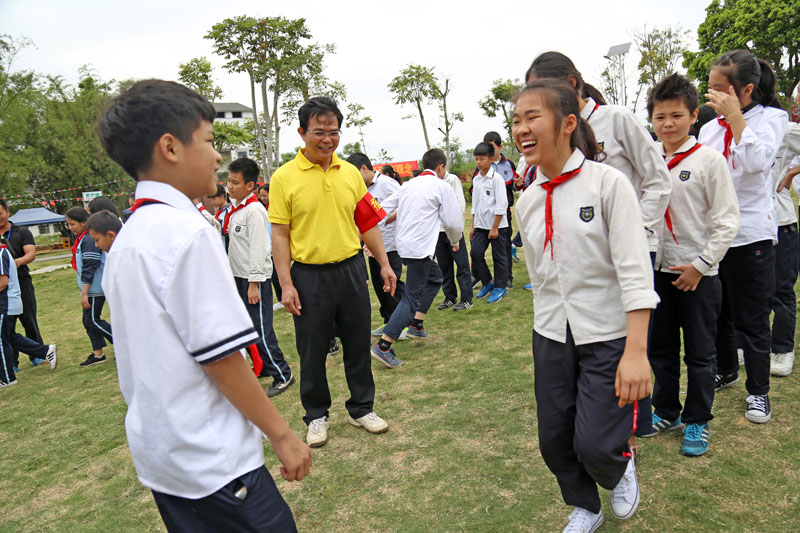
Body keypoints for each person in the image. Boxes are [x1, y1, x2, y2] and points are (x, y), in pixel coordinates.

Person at [97, 79, 310, 531]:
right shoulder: (186, 233)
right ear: (170, 147)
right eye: (210, 141)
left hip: (163, 454)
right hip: (212, 457)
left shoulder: (130, 235)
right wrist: (283, 434)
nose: (217, 156)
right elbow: (222, 359)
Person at [513, 79, 658, 533]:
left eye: (532, 117)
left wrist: (636, 351)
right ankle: (586, 507)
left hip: (608, 333)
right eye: (516, 120)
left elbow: (636, 271)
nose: (522, 129)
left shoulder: (608, 184)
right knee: (553, 440)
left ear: (568, 122)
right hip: (552, 334)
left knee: (596, 443)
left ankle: (619, 465)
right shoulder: (528, 199)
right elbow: (540, 278)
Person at [526, 51, 672, 439]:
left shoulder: (617, 119)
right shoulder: (538, 164)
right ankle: (609, 429)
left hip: (627, 241)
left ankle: (629, 429)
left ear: (571, 85)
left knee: (627, 338)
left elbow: (658, 179)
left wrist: (635, 229)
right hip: (579, 248)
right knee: (585, 347)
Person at [270, 96, 396, 448]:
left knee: (357, 343)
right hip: (309, 277)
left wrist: (384, 263)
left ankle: (361, 408)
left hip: (352, 270)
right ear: (302, 132)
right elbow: (279, 233)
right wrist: (286, 283)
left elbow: (367, 221)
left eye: (334, 131)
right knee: (311, 350)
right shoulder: (284, 178)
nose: (327, 139)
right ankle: (316, 415)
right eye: (319, 132)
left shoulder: (351, 173)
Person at [643, 74, 740, 456]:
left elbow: (727, 220)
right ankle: (666, 410)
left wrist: (700, 265)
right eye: (659, 116)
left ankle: (697, 420)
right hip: (659, 271)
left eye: (676, 116)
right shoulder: (648, 161)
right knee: (660, 349)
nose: (667, 124)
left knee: (700, 352)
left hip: (699, 274)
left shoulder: (709, 162)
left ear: (693, 116)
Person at [699, 50, 787, 424]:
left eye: (720, 90)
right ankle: (726, 369)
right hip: (713, 237)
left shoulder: (772, 119)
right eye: (710, 89)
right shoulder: (708, 129)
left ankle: (759, 392)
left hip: (750, 236)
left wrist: (735, 119)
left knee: (752, 319)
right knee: (718, 315)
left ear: (746, 90)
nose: (712, 96)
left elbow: (755, 163)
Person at [371, 148, 464, 367]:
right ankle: (384, 345)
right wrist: (454, 240)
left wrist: (371, 223)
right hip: (420, 249)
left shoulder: (408, 185)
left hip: (405, 246)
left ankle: (417, 324)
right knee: (411, 297)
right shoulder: (441, 186)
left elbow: (383, 206)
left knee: (435, 279)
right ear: (441, 167)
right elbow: (452, 221)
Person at [225, 157, 294, 397]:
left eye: (235, 182)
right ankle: (265, 366)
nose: (230, 187)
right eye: (228, 181)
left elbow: (259, 249)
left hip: (255, 280)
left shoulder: (254, 211)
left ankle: (283, 374)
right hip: (240, 277)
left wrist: (253, 283)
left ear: (250, 186)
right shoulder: (236, 210)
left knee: (262, 330)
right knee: (250, 328)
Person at [345, 152, 405, 333]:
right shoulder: (360, 190)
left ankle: (401, 324)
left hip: (390, 244)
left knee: (393, 284)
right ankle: (388, 321)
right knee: (380, 287)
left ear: (364, 168)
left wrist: (387, 219)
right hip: (372, 247)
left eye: (355, 174)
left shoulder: (387, 184)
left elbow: (405, 204)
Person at [771, 89, 800, 378]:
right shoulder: (726, 128)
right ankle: (744, 346)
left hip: (780, 221)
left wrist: (792, 172)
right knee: (750, 293)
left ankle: (782, 349)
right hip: (747, 225)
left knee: (781, 290)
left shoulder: (785, 128)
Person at [0, 241, 57, 389]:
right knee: (10, 336)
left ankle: (7, 378)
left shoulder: (1, 252)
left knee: (2, 340)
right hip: (8, 303)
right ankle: (45, 351)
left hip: (5, 304)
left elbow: (3, 282)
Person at [65, 206, 113, 367]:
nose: (70, 228)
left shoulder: (88, 240)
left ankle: (124, 345)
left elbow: (90, 267)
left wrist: (85, 293)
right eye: (68, 225)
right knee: (88, 321)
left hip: (95, 288)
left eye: (73, 224)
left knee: (93, 319)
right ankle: (98, 354)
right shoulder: (82, 239)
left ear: (84, 223)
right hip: (90, 288)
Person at [0, 199, 44, 369]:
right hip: (2, 288)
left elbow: (31, 254)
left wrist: (13, 263)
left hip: (22, 283)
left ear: (7, 212)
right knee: (6, 327)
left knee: (29, 321)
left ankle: (38, 355)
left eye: (0, 213)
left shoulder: (22, 231)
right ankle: (12, 362)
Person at [470, 142, 510, 304]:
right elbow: (475, 204)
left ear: (491, 159)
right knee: (475, 253)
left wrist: (495, 227)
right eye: (476, 159)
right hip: (480, 225)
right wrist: (473, 226)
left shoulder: (497, 179)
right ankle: (488, 282)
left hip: (497, 226)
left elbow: (502, 204)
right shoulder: (477, 179)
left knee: (499, 257)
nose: (478, 162)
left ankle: (500, 287)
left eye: (482, 159)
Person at [434, 160, 472, 311]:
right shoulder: (432, 183)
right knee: (444, 265)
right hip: (438, 231)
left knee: (461, 265)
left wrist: (452, 223)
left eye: (437, 170)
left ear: (442, 166)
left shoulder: (452, 180)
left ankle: (467, 298)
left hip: (453, 230)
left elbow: (460, 205)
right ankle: (450, 296)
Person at [482, 131, 517, 288]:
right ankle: (486, 279)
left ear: (500, 147)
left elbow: (515, 185)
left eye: (492, 147)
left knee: (504, 246)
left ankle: (507, 277)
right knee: (480, 250)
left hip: (504, 213)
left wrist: (518, 184)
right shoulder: (483, 166)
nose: (489, 151)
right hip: (486, 214)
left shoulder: (508, 164)